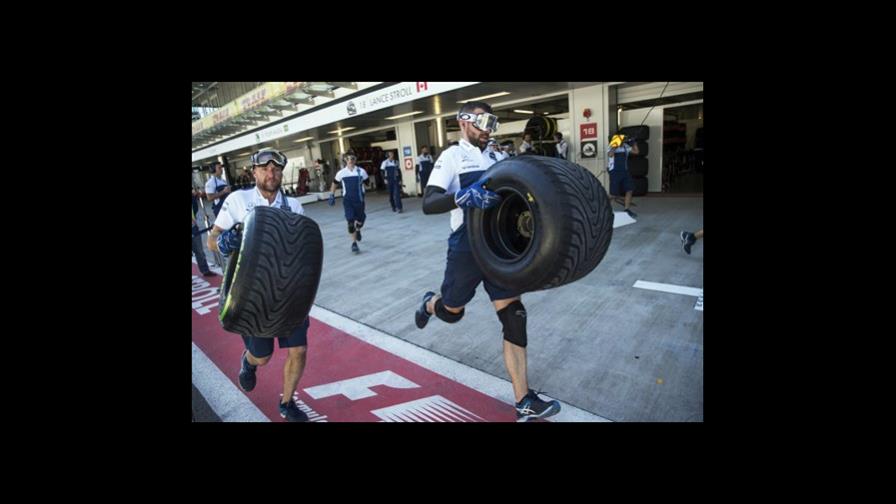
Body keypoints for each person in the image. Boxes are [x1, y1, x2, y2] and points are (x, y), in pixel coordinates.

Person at [414, 101, 561, 422]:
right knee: (452, 312)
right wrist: (461, 196)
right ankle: (429, 304)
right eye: (482, 123)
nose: (488, 130)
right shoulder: (452, 156)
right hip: (466, 246)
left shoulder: (499, 157)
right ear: (463, 122)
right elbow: (428, 202)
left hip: (499, 244)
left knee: (514, 316)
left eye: (492, 124)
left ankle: (523, 399)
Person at [206, 148, 310, 422]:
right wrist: (227, 242)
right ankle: (248, 361)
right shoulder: (238, 200)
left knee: (298, 350)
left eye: (276, 168)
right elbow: (212, 240)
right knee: (262, 356)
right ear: (254, 172)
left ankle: (287, 403)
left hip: (287, 291)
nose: (271, 173)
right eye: (264, 168)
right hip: (252, 295)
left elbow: (303, 247)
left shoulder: (294, 207)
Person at [329, 153, 369, 254]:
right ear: (345, 160)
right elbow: (334, 183)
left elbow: (367, 182)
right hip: (348, 200)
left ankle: (358, 228)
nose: (350, 160)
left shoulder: (361, 171)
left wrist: (362, 185)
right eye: (348, 159)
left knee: (360, 220)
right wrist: (331, 195)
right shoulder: (341, 173)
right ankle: (354, 243)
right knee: (350, 222)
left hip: (359, 200)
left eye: (352, 158)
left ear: (355, 160)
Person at [607, 133, 640, 218]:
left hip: (625, 171)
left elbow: (636, 152)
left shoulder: (625, 146)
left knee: (629, 190)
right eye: (621, 139)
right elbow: (610, 154)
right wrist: (615, 145)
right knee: (613, 195)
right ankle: (606, 210)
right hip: (614, 172)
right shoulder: (611, 146)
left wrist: (634, 143)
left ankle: (627, 209)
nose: (623, 140)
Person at [192, 188, 216, 277]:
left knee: (199, 251)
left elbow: (195, 208)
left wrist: (194, 197)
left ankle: (205, 270)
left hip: (193, 228)